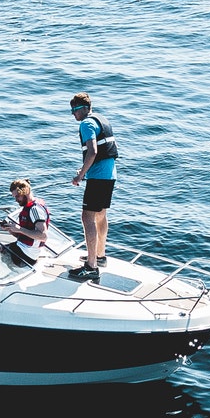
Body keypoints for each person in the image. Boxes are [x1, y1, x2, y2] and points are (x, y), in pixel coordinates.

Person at [68, 92, 117, 281]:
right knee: (101, 214)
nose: (73, 114)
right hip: (109, 175)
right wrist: (85, 169)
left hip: (97, 178)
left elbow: (93, 151)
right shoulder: (101, 119)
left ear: (85, 108)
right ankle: (99, 256)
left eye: (75, 110)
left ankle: (91, 266)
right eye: (72, 111)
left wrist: (80, 175)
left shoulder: (86, 123)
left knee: (87, 216)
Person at [2, 178, 52, 265]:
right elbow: (25, 236)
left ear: (25, 192)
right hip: (22, 249)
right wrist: (10, 229)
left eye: (17, 196)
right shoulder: (29, 207)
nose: (16, 200)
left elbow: (43, 236)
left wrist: (20, 229)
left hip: (27, 256)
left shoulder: (35, 209)